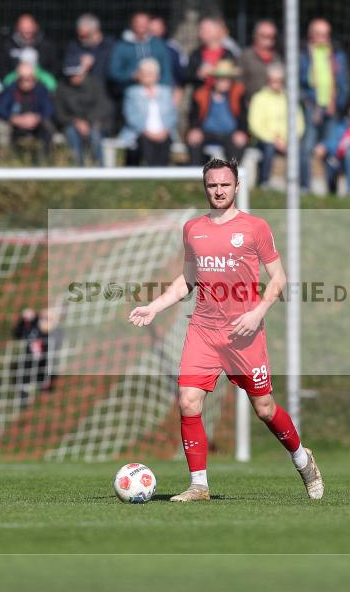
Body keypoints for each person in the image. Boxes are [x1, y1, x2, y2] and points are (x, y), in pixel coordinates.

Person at [129, 157, 324, 502]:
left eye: (224, 185)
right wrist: (154, 306)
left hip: (244, 335)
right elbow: (188, 279)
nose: (218, 191)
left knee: (264, 409)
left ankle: (302, 459)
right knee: (188, 402)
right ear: (206, 187)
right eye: (212, 185)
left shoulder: (255, 228)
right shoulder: (192, 228)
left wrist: (258, 311)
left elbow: (279, 278)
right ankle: (199, 486)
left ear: (237, 186)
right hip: (203, 330)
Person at [299, 18, 350, 191]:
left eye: (325, 34)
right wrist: (308, 101)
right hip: (311, 107)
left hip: (332, 108)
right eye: (318, 34)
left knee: (332, 147)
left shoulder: (337, 55)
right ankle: (304, 186)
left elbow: (344, 83)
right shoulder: (303, 54)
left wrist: (337, 103)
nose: (322, 38)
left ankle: (332, 188)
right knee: (307, 147)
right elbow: (298, 82)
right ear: (311, 34)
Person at [247, 63, 305, 187]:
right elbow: (255, 125)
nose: (276, 84)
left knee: (301, 150)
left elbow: (299, 122)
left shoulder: (290, 98)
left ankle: (302, 186)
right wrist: (275, 139)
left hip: (287, 139)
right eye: (273, 81)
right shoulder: (259, 98)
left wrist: (290, 139)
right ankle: (264, 182)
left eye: (279, 81)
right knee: (268, 148)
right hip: (265, 139)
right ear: (268, 80)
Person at [186, 60, 247, 165]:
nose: (224, 82)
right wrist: (194, 129)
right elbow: (193, 115)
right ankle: (197, 176)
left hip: (230, 133)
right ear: (214, 80)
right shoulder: (201, 94)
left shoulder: (238, 93)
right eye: (221, 79)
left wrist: (242, 131)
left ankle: (232, 178)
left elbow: (243, 115)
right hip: (206, 132)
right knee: (194, 140)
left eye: (227, 79)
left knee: (238, 145)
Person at [118, 58, 177, 166]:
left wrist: (165, 130)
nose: (147, 77)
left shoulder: (166, 92)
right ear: (139, 75)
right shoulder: (132, 93)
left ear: (157, 76)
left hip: (164, 132)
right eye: (144, 74)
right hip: (140, 132)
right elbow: (130, 116)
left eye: (150, 74)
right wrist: (147, 132)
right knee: (144, 143)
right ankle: (150, 173)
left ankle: (162, 174)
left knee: (165, 143)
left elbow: (172, 114)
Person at [56, 57, 112, 166]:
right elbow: (59, 113)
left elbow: (104, 107)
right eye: (71, 75)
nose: (75, 77)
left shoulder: (95, 84)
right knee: (72, 134)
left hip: (94, 123)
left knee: (95, 134)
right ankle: (78, 169)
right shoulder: (61, 88)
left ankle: (99, 169)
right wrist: (76, 122)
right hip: (71, 124)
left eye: (77, 73)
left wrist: (88, 121)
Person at [0, 61, 55, 158]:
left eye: (29, 79)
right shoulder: (11, 88)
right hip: (14, 123)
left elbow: (49, 108)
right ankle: (4, 157)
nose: (26, 82)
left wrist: (37, 118)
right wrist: (14, 118)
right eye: (22, 79)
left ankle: (44, 158)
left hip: (36, 123)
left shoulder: (41, 89)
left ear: (34, 78)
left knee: (48, 126)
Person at [108, 12, 173, 96]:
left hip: (157, 92)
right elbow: (114, 72)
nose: (141, 25)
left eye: (144, 23)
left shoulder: (159, 45)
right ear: (132, 24)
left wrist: (160, 87)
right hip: (131, 91)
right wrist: (132, 76)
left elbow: (167, 71)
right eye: (138, 23)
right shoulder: (121, 46)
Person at [183, 16, 238, 93]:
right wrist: (198, 74)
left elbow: (236, 76)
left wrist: (219, 74)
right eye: (200, 29)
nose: (201, 33)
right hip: (201, 98)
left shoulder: (228, 54)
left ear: (216, 32)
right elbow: (186, 76)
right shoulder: (196, 54)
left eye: (205, 30)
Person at [12, 308, 53, 406]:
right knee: (25, 371)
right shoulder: (32, 327)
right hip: (29, 362)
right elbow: (17, 334)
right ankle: (24, 394)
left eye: (49, 319)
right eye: (43, 318)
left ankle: (43, 385)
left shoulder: (53, 335)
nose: (45, 322)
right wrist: (23, 320)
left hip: (43, 364)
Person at [63, 13, 114, 88]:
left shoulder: (109, 45)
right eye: (79, 35)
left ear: (96, 32)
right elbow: (66, 68)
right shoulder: (73, 46)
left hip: (105, 90)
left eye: (85, 36)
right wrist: (80, 64)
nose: (81, 39)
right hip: (80, 90)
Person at [238, 20, 281, 101]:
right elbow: (238, 83)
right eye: (264, 35)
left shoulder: (277, 58)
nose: (268, 39)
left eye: (272, 36)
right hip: (251, 105)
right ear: (256, 36)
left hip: (274, 105)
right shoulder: (245, 56)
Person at [149, 15, 184, 92]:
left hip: (167, 89)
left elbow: (180, 72)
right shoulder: (142, 47)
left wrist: (177, 89)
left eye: (157, 29)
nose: (155, 33)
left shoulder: (172, 48)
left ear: (163, 29)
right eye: (152, 31)